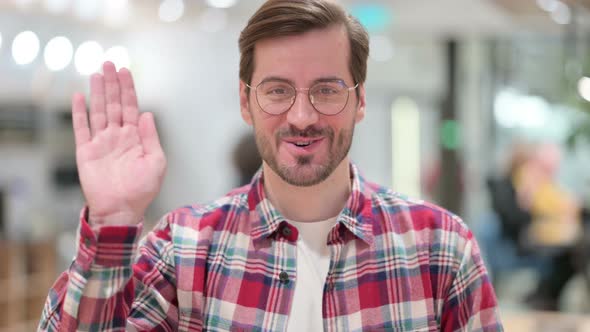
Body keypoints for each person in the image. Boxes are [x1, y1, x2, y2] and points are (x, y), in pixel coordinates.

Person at [38, 0, 502, 330]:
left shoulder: (440, 249)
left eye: (327, 89)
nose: (302, 117)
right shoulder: (184, 250)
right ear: (247, 101)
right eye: (278, 90)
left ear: (360, 100)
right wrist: (114, 221)